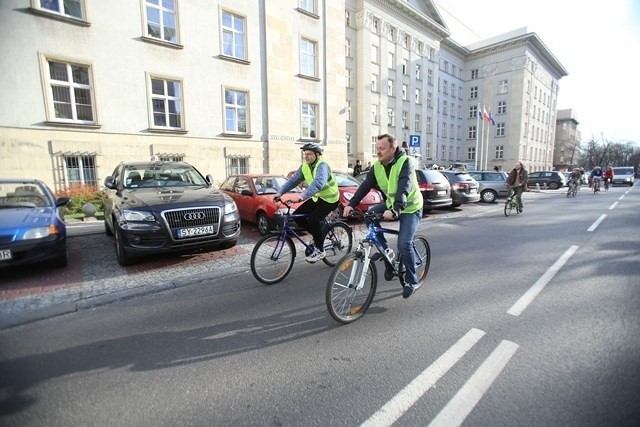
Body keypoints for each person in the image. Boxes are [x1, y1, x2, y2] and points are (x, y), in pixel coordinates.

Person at [343, 134, 424, 299]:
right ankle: (387, 253)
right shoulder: (377, 166)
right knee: (369, 215)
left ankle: (411, 280)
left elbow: (404, 187)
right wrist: (351, 204)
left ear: (393, 149)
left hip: (410, 207)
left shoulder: (405, 162)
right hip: (391, 205)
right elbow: (365, 185)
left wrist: (396, 209)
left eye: (382, 148)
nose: (378, 152)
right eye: (377, 148)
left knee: (404, 243)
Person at [274, 143, 340, 263]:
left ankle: (320, 250)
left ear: (317, 155)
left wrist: (301, 197)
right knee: (298, 217)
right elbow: (293, 180)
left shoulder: (322, 165)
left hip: (330, 199)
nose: (307, 156)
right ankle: (318, 234)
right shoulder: (305, 166)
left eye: (309, 154)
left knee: (313, 219)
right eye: (305, 154)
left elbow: (318, 183)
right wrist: (280, 192)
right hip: (318, 198)